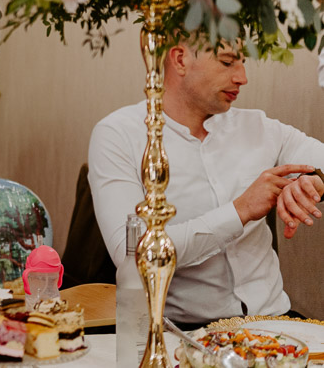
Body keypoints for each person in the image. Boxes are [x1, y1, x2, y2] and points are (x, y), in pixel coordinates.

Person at [89, 40, 324, 328]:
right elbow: (135, 256)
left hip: (273, 324)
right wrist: (239, 211)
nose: (242, 78)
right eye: (227, 62)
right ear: (180, 60)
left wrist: (314, 182)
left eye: (243, 63)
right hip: (181, 332)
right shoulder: (118, 135)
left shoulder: (260, 128)